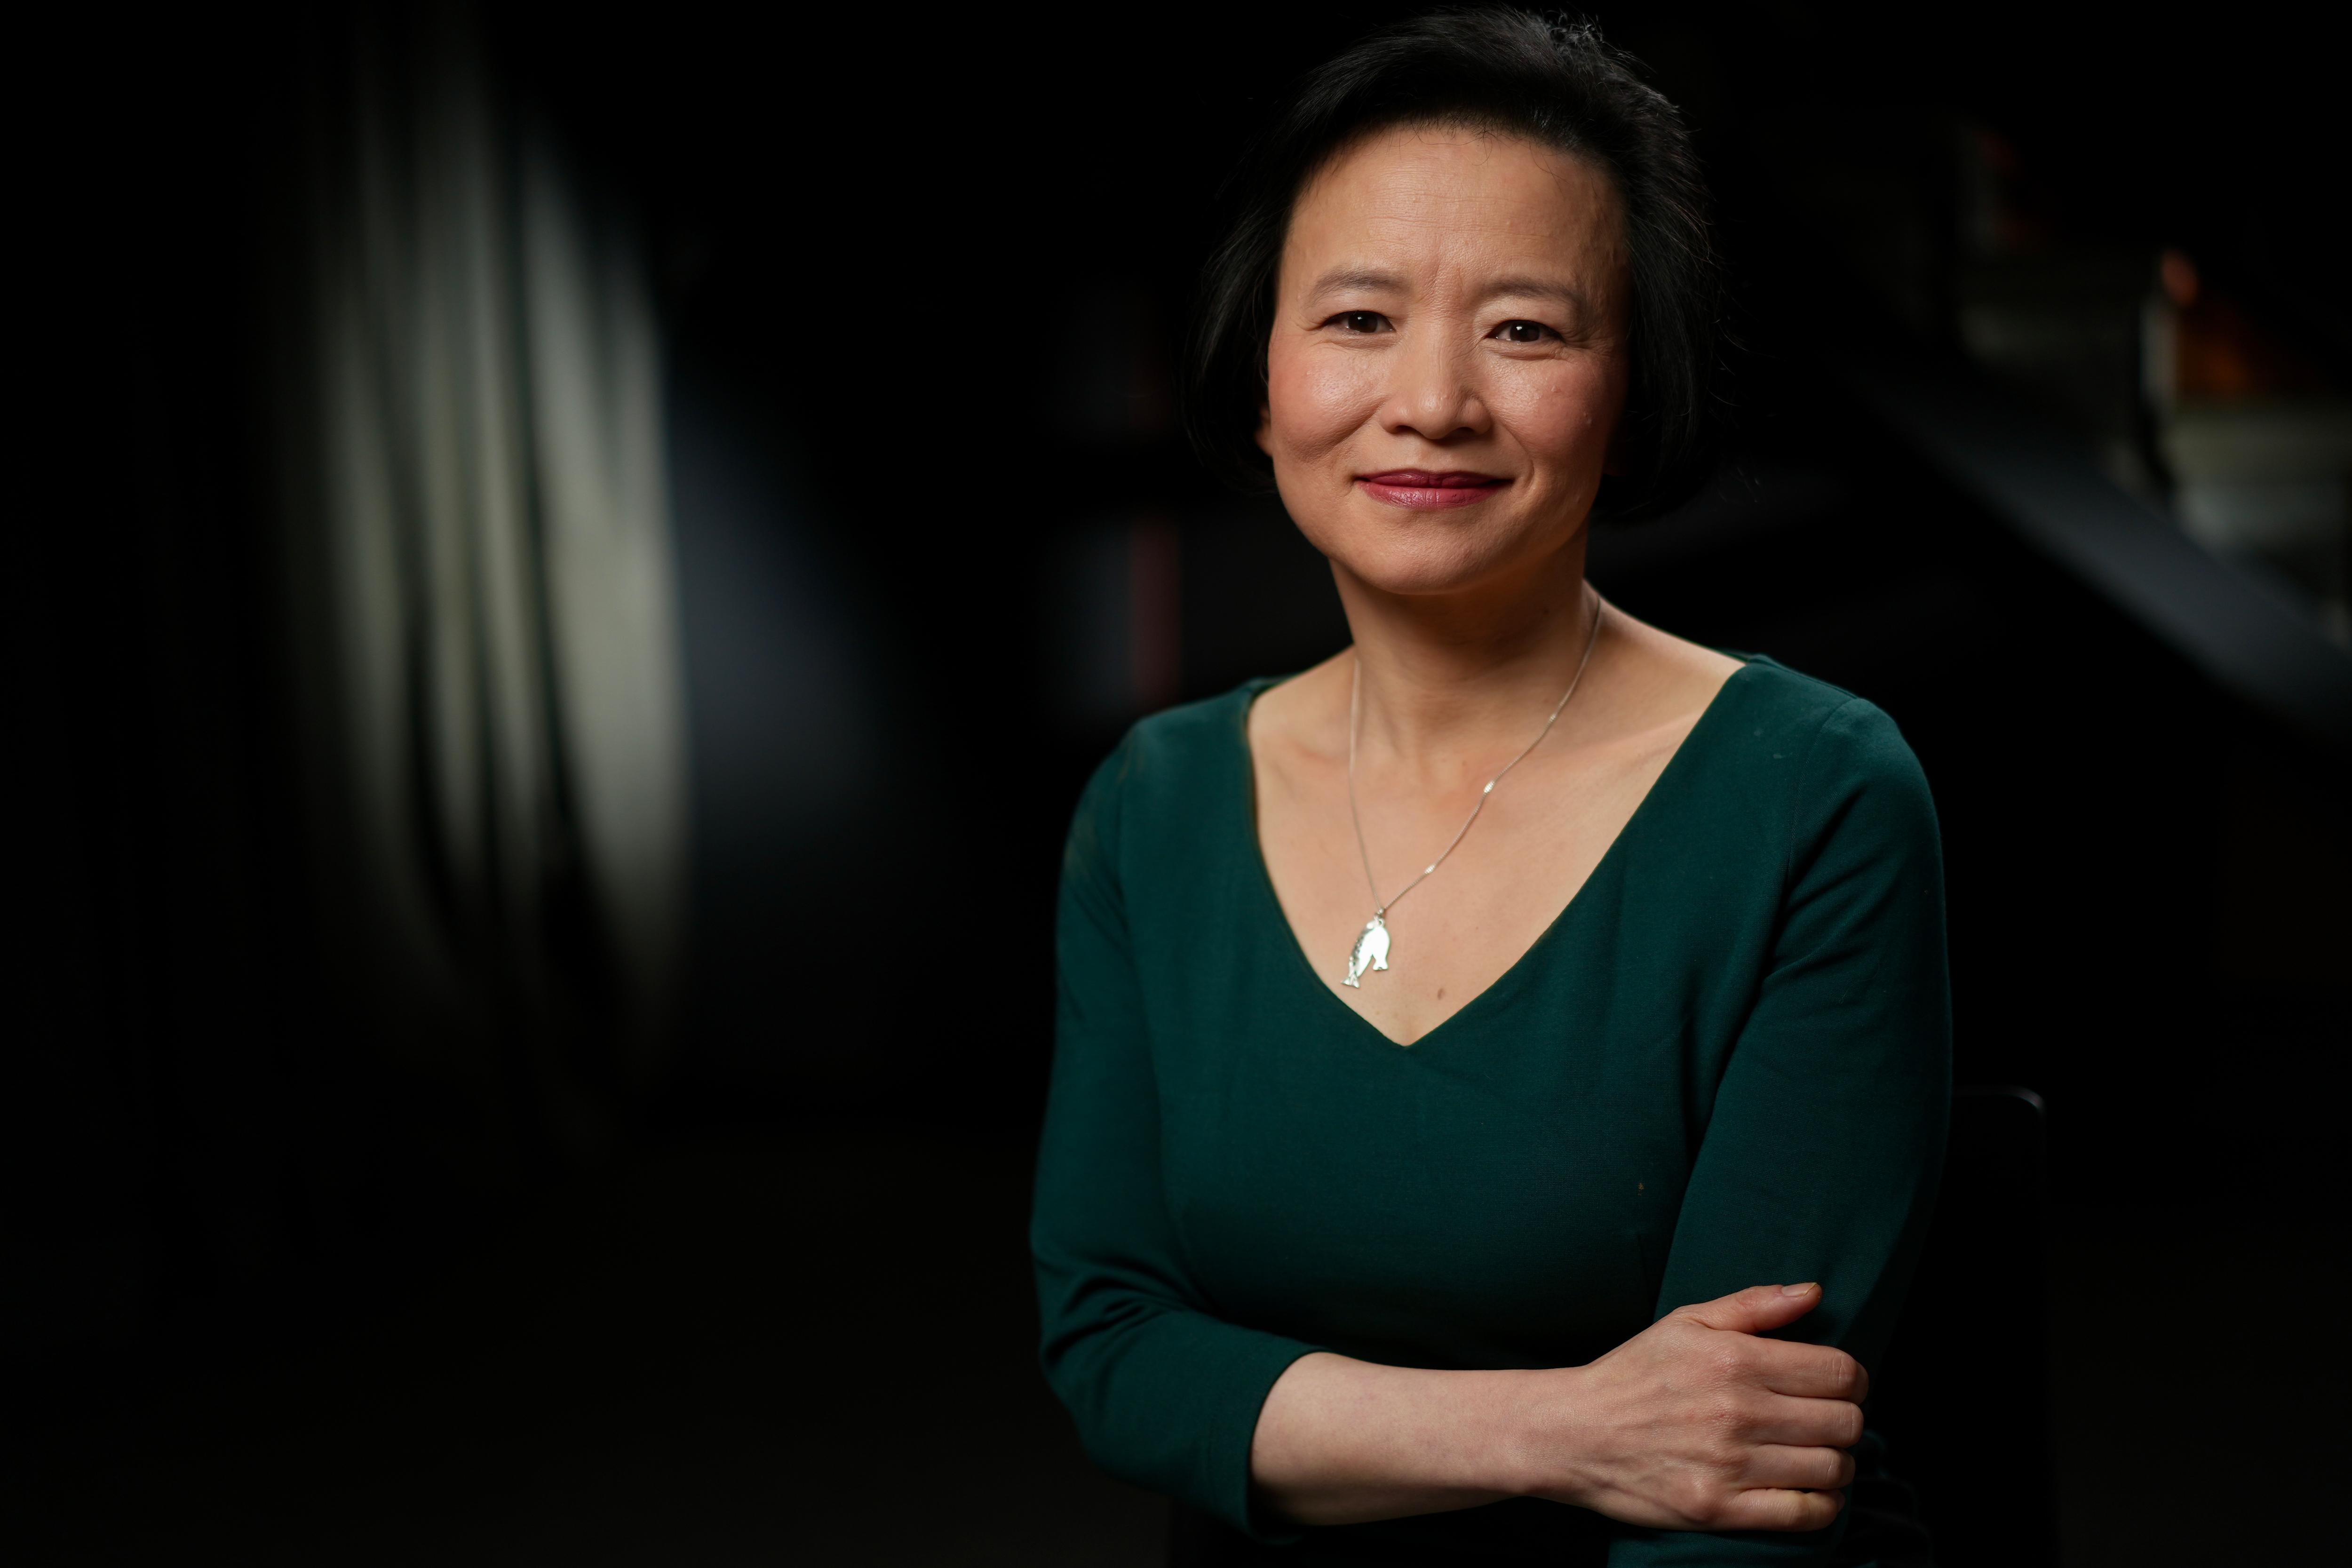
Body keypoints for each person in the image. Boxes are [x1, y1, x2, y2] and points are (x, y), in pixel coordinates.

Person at [1030, 12, 1949, 1564]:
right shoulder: (1156, 805)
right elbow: (1116, 1351)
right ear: (1262, 380)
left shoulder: (1816, 793)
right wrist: (1566, 1428)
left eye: (1525, 331)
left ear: (1631, 392)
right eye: (1360, 318)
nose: (1435, 402)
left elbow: (1736, 1470)